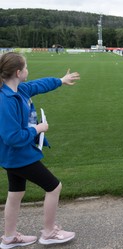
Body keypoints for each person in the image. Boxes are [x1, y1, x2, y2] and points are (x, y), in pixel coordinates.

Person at [0, 52, 79, 248]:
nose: (28, 71)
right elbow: (12, 137)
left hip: (16, 157)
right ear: (18, 72)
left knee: (15, 194)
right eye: (26, 67)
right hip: (19, 156)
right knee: (54, 187)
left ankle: (9, 238)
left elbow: (40, 85)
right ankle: (49, 232)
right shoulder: (6, 100)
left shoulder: (20, 90)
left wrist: (61, 80)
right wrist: (37, 128)